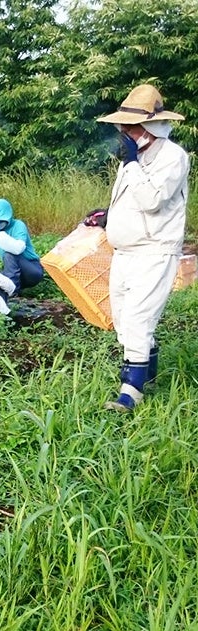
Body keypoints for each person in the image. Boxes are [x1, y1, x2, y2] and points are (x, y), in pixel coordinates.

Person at [92, 83, 190, 412]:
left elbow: (151, 200)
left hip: (154, 250)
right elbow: (132, 199)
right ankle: (145, 374)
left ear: (148, 127)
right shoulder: (132, 158)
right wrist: (108, 216)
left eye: (129, 126)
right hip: (125, 252)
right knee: (123, 318)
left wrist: (131, 163)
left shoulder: (173, 157)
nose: (122, 131)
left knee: (137, 318)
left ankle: (130, 392)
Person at [0, 198, 43, 297]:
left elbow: (17, 249)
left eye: (0, 220)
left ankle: (12, 292)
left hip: (31, 270)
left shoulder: (18, 225)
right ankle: (6, 289)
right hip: (12, 272)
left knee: (9, 255)